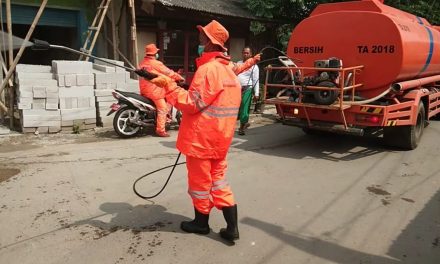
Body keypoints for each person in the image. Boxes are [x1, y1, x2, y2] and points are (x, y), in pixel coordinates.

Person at [145, 20, 243, 243]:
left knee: (200, 184)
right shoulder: (228, 71)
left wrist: (168, 86)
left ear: (210, 43)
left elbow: (191, 103)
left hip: (201, 141)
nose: (199, 41)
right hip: (221, 139)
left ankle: (201, 224)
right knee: (219, 182)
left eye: (202, 38)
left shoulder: (208, 70)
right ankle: (232, 228)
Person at [138, 43, 184, 137]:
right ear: (155, 53)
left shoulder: (142, 63)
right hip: (154, 91)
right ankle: (160, 130)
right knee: (162, 108)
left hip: (144, 90)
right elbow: (168, 72)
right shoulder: (156, 63)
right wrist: (179, 77)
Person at [236, 47, 259, 135]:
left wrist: (256, 93)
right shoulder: (238, 63)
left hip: (247, 88)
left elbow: (256, 80)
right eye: (244, 53)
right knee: (238, 107)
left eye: (247, 53)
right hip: (237, 89)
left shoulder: (254, 66)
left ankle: (242, 127)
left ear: (251, 54)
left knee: (245, 107)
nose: (245, 54)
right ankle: (244, 123)